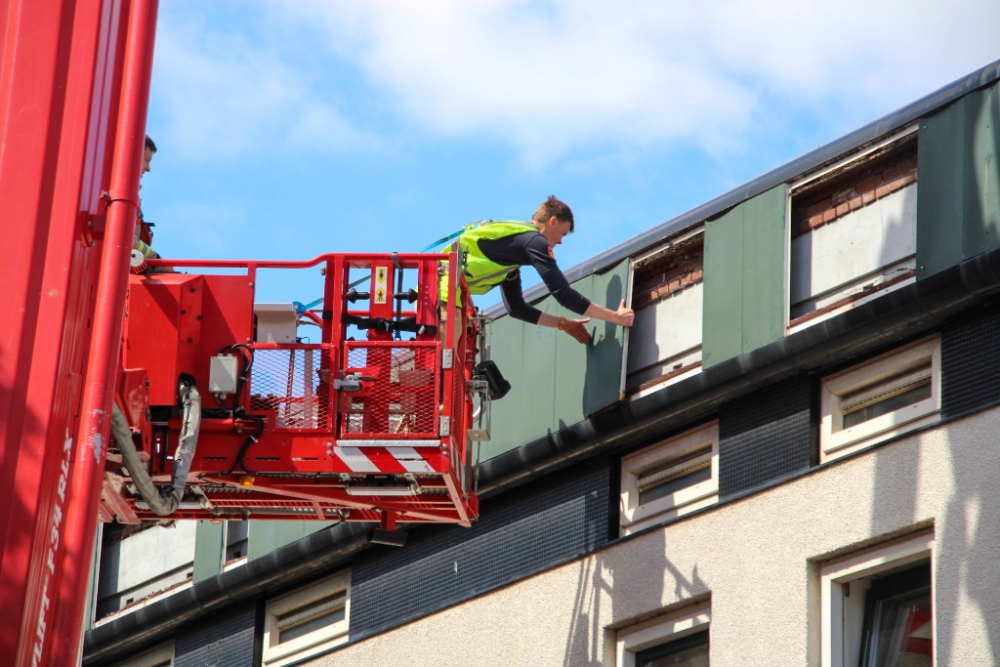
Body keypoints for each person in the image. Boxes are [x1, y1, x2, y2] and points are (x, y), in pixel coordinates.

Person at [443, 195, 634, 344]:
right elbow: (562, 293)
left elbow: (516, 308)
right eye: (562, 233)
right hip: (442, 291)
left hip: (444, 291)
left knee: (449, 356)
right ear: (552, 222)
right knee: (446, 359)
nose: (560, 241)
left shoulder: (512, 253)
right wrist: (615, 317)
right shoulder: (535, 241)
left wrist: (563, 324)